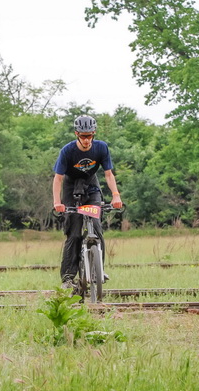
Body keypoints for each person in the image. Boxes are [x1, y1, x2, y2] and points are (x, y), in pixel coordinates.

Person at [52, 115, 123, 289]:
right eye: (83, 136)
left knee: (97, 228)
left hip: (91, 188)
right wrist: (57, 202)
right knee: (74, 233)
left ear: (94, 133)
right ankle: (68, 277)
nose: (86, 140)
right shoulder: (67, 151)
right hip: (71, 189)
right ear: (77, 134)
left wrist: (116, 195)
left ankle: (99, 271)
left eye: (89, 136)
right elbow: (58, 178)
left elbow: (108, 174)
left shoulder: (101, 148)